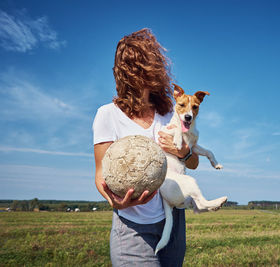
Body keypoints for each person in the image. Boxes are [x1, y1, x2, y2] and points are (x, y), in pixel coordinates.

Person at [93, 28, 198, 267]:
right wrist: (115, 202)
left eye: (154, 65)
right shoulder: (107, 115)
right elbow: (100, 174)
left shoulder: (171, 112)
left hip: (173, 223)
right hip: (132, 227)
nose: (153, 73)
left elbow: (193, 162)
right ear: (126, 72)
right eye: (142, 67)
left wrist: (183, 152)